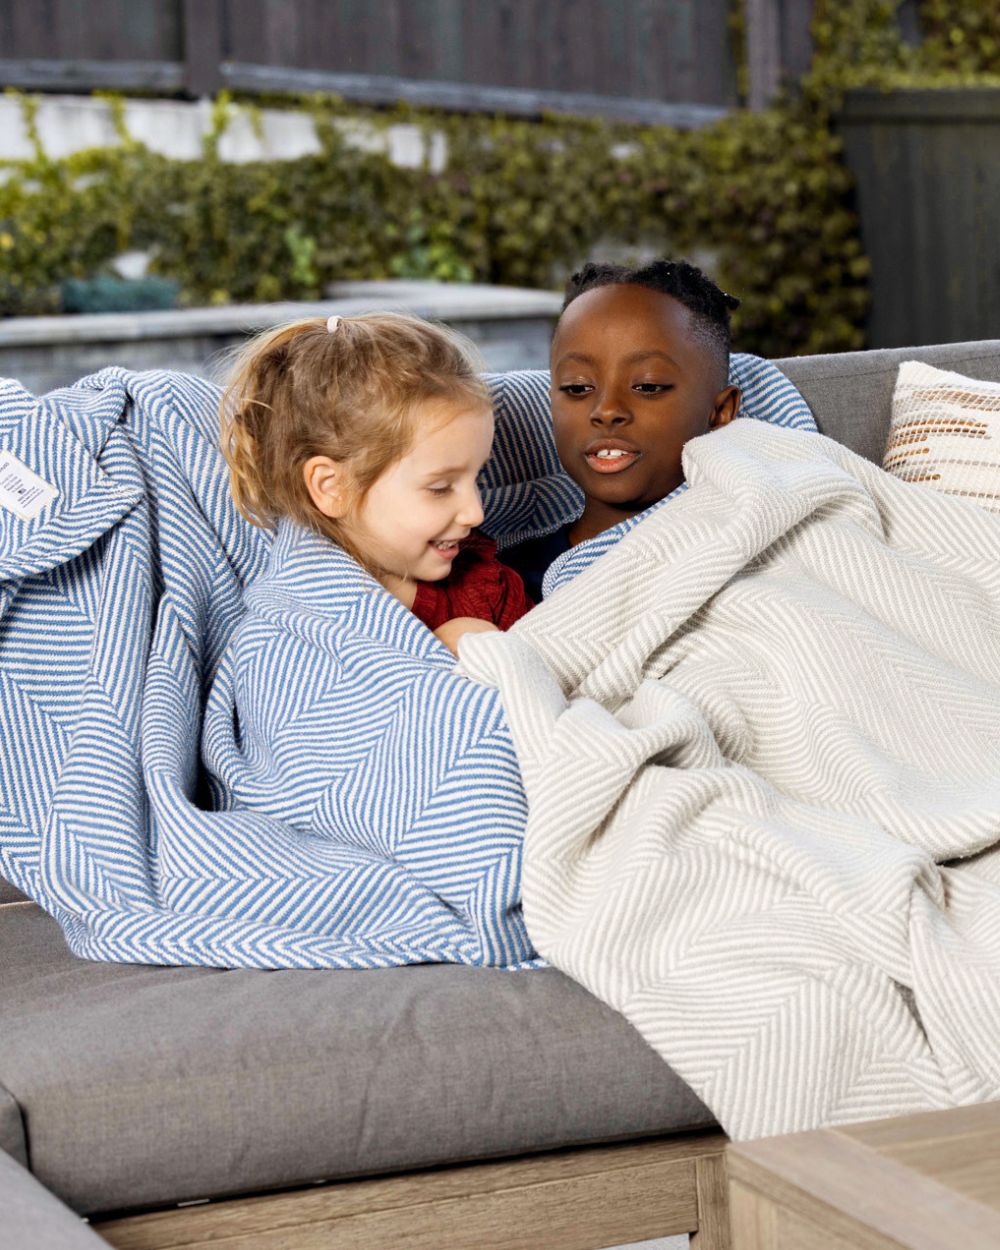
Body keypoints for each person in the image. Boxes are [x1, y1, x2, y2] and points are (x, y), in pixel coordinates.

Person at [221, 312, 532, 652]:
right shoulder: (294, 627)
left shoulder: (488, 589)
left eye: (478, 477)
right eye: (440, 488)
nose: (475, 514)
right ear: (332, 487)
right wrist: (441, 665)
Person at [500, 259, 743, 602]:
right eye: (577, 387)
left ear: (720, 412)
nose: (607, 410)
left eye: (647, 386)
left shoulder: (753, 542)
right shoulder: (505, 586)